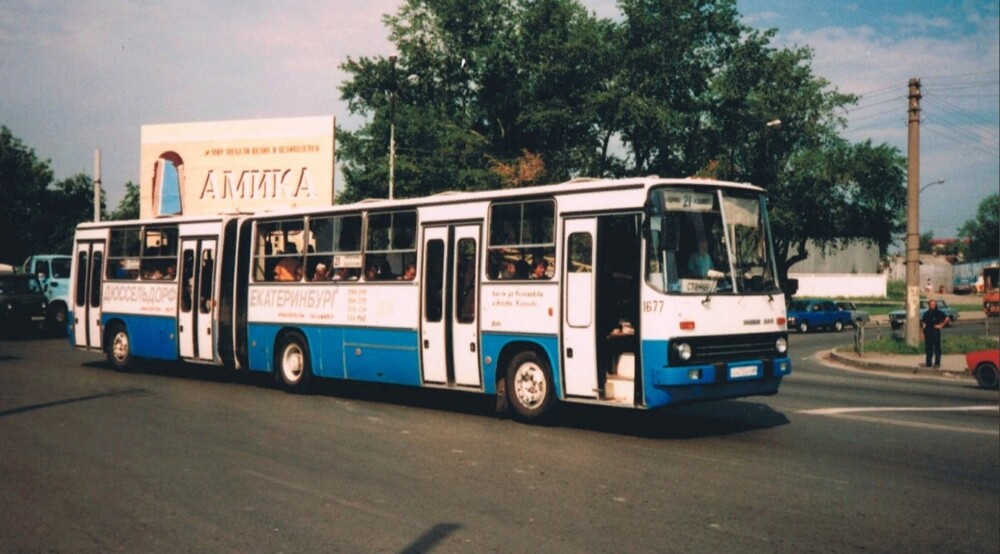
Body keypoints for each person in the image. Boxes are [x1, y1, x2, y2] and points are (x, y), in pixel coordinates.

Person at [920, 299, 948, 368]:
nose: (932, 305)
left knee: (937, 348)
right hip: (928, 331)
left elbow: (946, 319)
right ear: (929, 305)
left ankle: (937, 363)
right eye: (931, 304)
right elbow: (924, 323)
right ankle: (928, 363)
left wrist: (941, 325)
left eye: (934, 304)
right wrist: (922, 332)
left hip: (935, 331)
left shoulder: (938, 312)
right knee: (928, 348)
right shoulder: (926, 313)